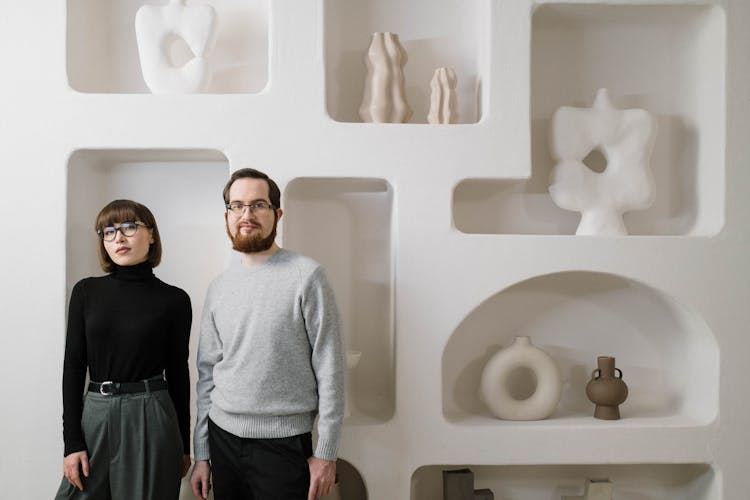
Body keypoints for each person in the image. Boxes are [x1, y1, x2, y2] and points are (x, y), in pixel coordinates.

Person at [190, 168, 344, 500]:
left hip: (284, 445)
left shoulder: (307, 276)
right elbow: (206, 375)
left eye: (258, 205)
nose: (247, 215)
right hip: (222, 439)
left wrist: (327, 452)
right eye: (237, 206)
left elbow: (331, 366)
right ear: (227, 216)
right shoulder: (219, 288)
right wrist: (202, 453)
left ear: (277, 214)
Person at [55, 199, 192, 500]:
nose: (118, 238)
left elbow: (179, 373)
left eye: (129, 227)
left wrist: (184, 445)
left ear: (152, 235)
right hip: (95, 413)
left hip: (151, 414)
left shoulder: (175, 300)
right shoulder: (86, 292)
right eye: (108, 231)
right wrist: (71, 442)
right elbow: (73, 367)